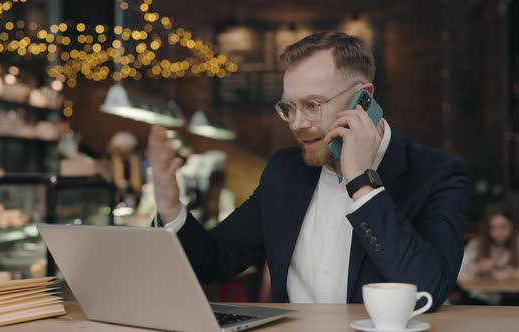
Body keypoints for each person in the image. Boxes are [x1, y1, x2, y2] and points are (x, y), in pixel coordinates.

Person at [148, 31, 467, 308]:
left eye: (314, 104)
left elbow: (429, 291)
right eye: (289, 107)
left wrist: (362, 183)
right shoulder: (285, 170)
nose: (298, 124)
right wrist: (169, 205)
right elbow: (216, 260)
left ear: (363, 99)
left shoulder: (436, 173)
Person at [459, 203, 519, 281]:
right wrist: (477, 269)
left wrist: (512, 274)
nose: (498, 233)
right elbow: (457, 272)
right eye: (493, 227)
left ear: (512, 226)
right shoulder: (477, 244)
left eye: (503, 227)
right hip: (483, 292)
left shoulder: (517, 242)